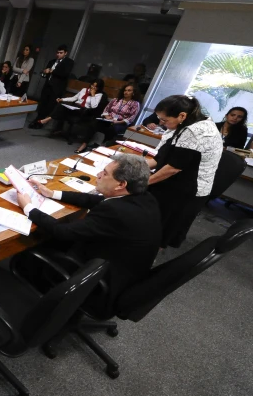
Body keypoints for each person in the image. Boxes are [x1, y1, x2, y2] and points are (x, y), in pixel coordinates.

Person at [15, 154, 161, 311]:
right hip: (124, 271)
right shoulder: (143, 197)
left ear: (120, 184)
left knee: (35, 247)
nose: (98, 175)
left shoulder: (116, 211)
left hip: (100, 281)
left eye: (104, 173)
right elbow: (96, 200)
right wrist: (52, 194)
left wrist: (29, 208)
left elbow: (63, 232)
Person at [147, 95, 223, 248]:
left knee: (156, 226)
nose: (161, 123)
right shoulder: (187, 123)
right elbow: (163, 156)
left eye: (164, 120)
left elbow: (173, 167)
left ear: (182, 115)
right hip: (180, 179)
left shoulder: (195, 131)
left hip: (187, 189)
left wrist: (143, 182)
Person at [37, 80, 105, 152]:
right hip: (75, 107)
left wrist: (93, 95)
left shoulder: (98, 95)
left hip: (84, 111)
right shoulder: (84, 90)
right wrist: (62, 99)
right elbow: (74, 98)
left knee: (65, 110)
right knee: (61, 105)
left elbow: (94, 106)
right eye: (92, 85)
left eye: (95, 87)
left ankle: (48, 119)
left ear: (99, 88)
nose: (93, 87)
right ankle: (47, 119)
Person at [74, 82, 141, 154]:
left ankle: (102, 147)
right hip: (109, 120)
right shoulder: (116, 100)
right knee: (94, 124)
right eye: (125, 90)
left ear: (133, 93)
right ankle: (84, 144)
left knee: (112, 129)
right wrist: (107, 116)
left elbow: (131, 118)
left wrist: (118, 122)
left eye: (129, 90)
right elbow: (106, 110)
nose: (126, 92)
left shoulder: (135, 104)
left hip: (121, 124)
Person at [31, 44, 75, 125]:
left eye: (61, 53)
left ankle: (43, 122)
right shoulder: (52, 61)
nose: (58, 54)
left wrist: (52, 71)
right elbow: (46, 73)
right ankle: (38, 119)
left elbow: (65, 74)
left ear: (65, 53)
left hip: (57, 88)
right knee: (42, 104)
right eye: (57, 52)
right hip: (47, 86)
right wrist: (44, 72)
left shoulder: (69, 62)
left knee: (50, 106)